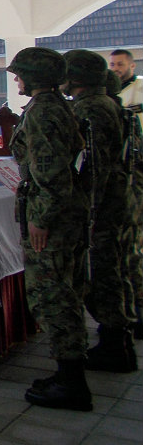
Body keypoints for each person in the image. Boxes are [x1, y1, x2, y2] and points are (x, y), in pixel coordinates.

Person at [7, 47, 91, 411]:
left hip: (51, 218)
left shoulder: (43, 111)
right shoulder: (59, 106)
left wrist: (41, 218)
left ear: (34, 76)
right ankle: (69, 373)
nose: (16, 79)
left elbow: (50, 172)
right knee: (65, 292)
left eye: (20, 73)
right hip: (67, 213)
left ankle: (72, 383)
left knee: (54, 296)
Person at [63, 49, 135, 373]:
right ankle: (117, 342)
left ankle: (114, 345)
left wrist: (88, 213)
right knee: (110, 272)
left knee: (102, 274)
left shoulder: (90, 109)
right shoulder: (106, 104)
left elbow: (96, 166)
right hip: (112, 202)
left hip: (100, 208)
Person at [113, 49, 143, 340]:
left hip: (137, 171)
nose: (116, 68)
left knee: (134, 246)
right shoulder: (112, 94)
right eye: (112, 65)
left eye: (120, 64)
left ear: (131, 65)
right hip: (118, 177)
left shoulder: (140, 87)